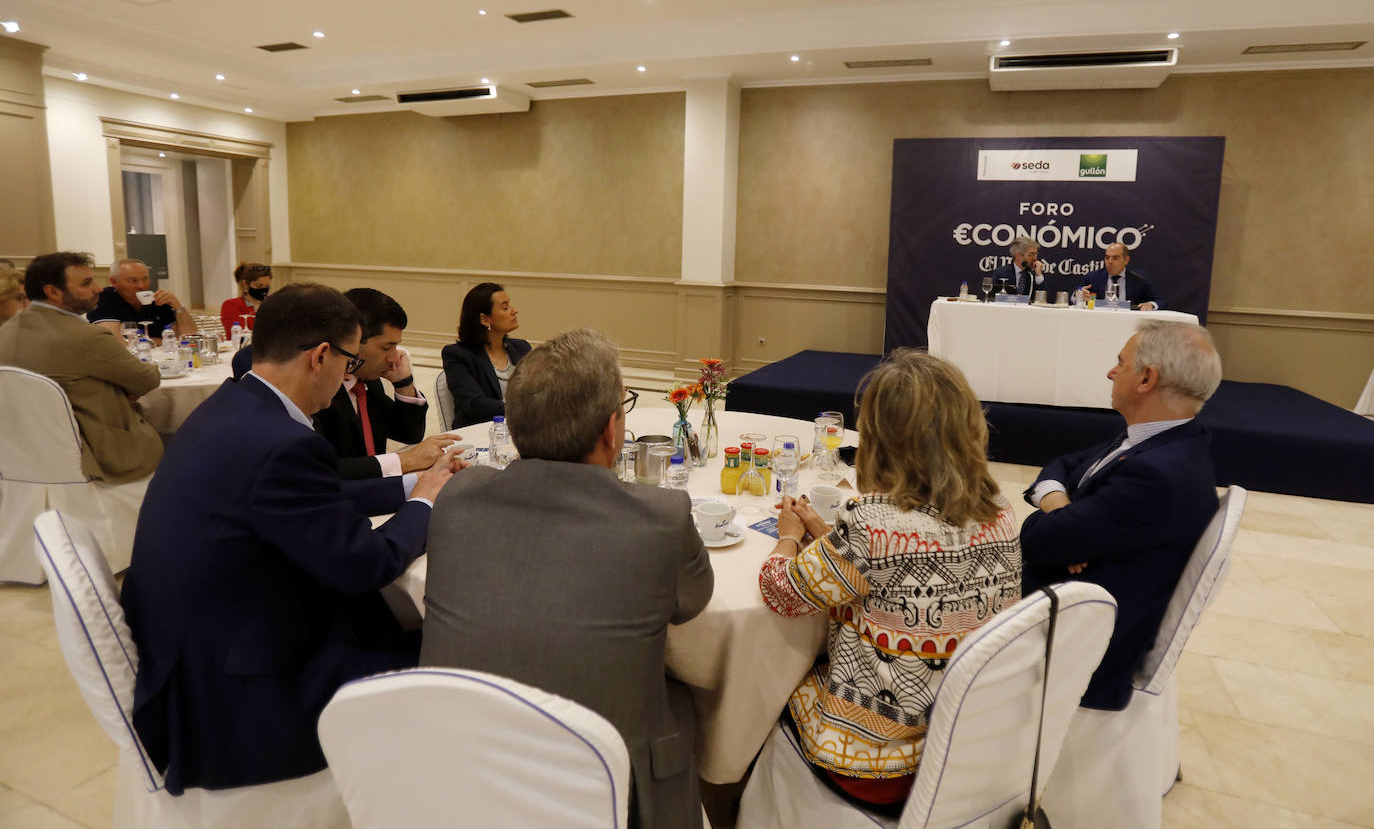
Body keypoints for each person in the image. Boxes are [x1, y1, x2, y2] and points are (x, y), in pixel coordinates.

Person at [120, 283, 464, 796]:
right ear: (321, 356)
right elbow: (369, 563)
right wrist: (427, 502)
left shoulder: (234, 408)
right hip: (237, 695)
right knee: (450, 653)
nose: (350, 376)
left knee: (387, 616)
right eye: (350, 362)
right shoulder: (283, 444)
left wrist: (415, 481)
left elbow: (314, 496)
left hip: (200, 645)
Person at [422, 328, 714, 829]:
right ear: (611, 431)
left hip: (462, 771)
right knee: (692, 698)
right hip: (605, 785)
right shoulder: (660, 516)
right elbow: (692, 601)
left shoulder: (457, 497)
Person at [759, 350, 1022, 815]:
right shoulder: (1000, 510)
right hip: (965, 748)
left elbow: (781, 590)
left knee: (761, 685)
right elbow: (895, 570)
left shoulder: (872, 525)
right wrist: (825, 536)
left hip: (879, 765)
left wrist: (788, 538)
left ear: (881, 438)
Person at [1020, 320, 1221, 711]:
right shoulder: (1163, 438)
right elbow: (1064, 464)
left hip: (1079, 644)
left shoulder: (1157, 475)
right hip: (1083, 603)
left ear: (1147, 378)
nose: (1111, 372)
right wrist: (1062, 511)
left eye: (1121, 363)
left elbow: (1037, 540)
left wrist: (1059, 528)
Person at [0, 252, 162, 482]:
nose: (98, 288)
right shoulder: (87, 337)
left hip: (21, 461)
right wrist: (114, 390)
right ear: (53, 292)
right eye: (87, 283)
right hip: (95, 458)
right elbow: (148, 380)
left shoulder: (6, 332)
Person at [314, 287, 458, 480]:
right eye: (386, 347)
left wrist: (403, 383)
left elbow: (409, 434)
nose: (394, 357)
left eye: (396, 346)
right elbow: (321, 469)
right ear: (353, 341)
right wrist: (403, 460)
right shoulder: (317, 389)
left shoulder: (367, 381)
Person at [441, 282, 530, 428]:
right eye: (505, 307)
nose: (514, 311)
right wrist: (524, 409)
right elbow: (474, 404)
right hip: (481, 435)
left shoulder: (521, 348)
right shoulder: (457, 355)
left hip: (524, 430)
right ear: (484, 319)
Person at [88, 258, 195, 339]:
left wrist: (178, 306)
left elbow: (188, 338)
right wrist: (157, 342)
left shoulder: (158, 300)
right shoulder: (105, 298)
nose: (141, 286)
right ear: (113, 282)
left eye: (145, 279)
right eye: (133, 281)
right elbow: (113, 342)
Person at [1081, 243, 1163, 310]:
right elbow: (1074, 296)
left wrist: (1151, 304)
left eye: (1115, 258)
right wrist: (1079, 296)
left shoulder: (1139, 279)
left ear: (1126, 260)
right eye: (1107, 257)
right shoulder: (1093, 277)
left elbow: (1160, 301)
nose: (1110, 261)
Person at [220, 262, 272, 338]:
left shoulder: (272, 302)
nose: (264, 289)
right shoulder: (231, 305)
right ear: (245, 284)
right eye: (259, 286)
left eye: (267, 286)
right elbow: (238, 334)